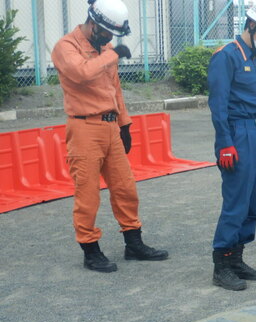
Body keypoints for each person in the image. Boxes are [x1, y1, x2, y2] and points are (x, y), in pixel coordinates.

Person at [51, 0, 168, 273]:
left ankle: (133, 243)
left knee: (125, 187)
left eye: (111, 35)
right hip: (83, 128)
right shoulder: (66, 46)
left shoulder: (106, 49)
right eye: (105, 32)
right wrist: (112, 55)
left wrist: (124, 124)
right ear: (92, 22)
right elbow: (81, 73)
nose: (108, 39)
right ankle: (90, 251)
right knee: (88, 194)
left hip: (110, 126)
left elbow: (115, 88)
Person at [207, 1, 256, 291]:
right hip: (236, 135)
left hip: (254, 134)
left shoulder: (253, 57)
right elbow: (218, 106)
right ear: (252, 25)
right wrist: (225, 144)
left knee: (252, 202)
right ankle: (221, 265)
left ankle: (237, 258)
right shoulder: (226, 57)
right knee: (236, 203)